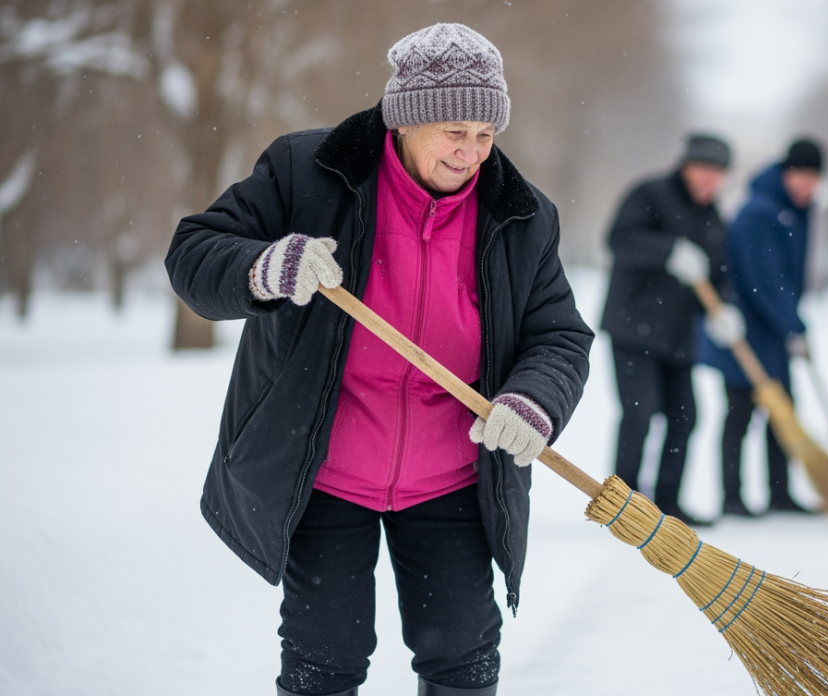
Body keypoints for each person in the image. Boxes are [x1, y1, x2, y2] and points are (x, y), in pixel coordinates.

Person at [165, 24, 594, 696]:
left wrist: (533, 398)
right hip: (328, 470)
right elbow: (193, 254)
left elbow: (559, 335)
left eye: (486, 134)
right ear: (405, 118)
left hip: (451, 478)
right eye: (455, 129)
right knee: (324, 656)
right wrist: (265, 266)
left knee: (463, 655)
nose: (472, 152)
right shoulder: (307, 174)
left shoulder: (521, 216)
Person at [599, 134, 745, 528]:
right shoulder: (650, 194)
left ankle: (668, 502)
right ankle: (623, 504)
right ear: (685, 166)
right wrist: (668, 251)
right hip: (634, 327)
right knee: (639, 413)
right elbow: (619, 240)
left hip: (678, 335)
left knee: (685, 417)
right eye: (703, 171)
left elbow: (720, 274)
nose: (708, 181)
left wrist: (724, 308)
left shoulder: (714, 217)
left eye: (717, 174)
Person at [697, 138, 824, 517]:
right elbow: (761, 280)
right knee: (740, 413)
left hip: (772, 330)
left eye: (813, 178)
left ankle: (779, 493)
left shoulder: (793, 209)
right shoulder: (760, 211)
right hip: (744, 330)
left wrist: (789, 324)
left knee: (781, 410)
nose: (806, 185)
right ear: (785, 173)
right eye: (800, 176)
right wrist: (793, 325)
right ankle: (733, 498)